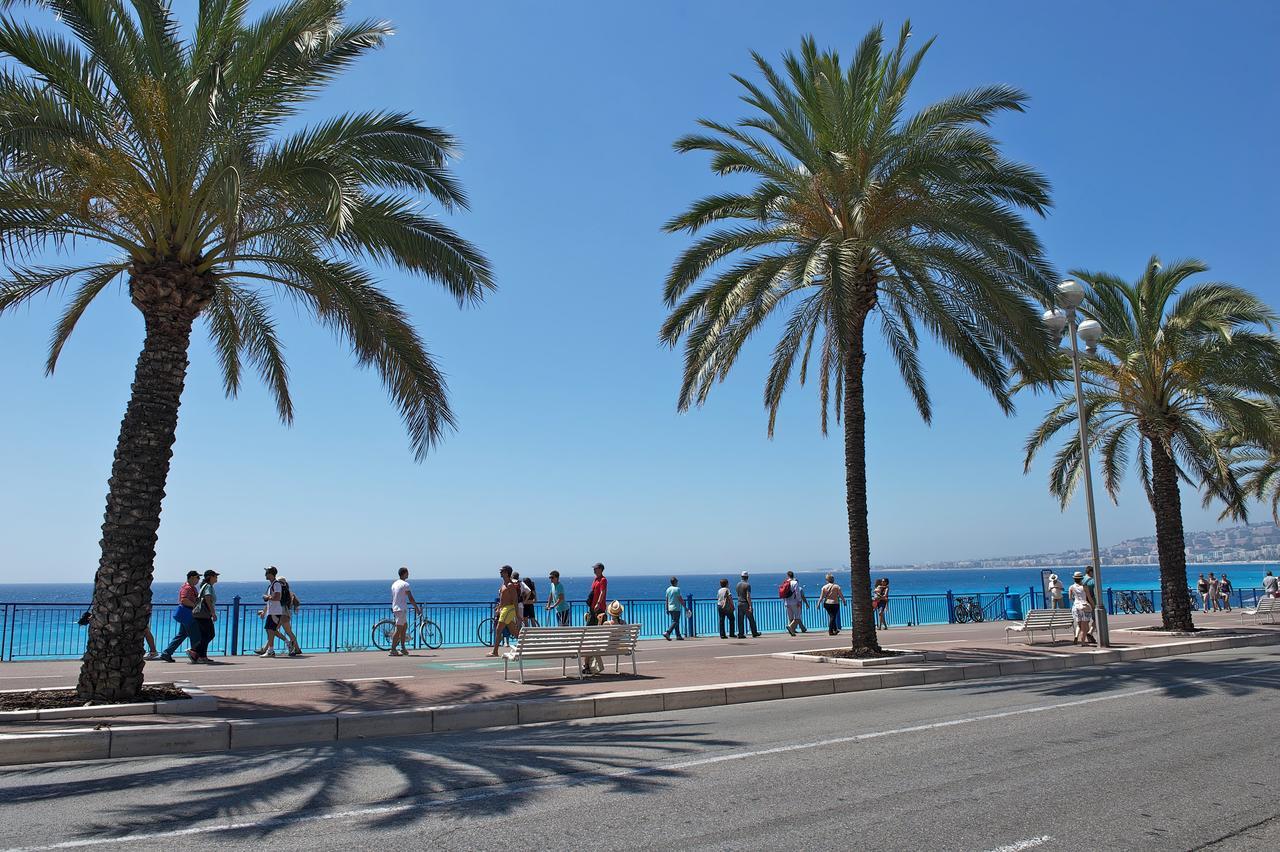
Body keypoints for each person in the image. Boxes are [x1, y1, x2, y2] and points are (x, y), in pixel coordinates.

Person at [159, 570, 201, 662]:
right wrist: (194, 606)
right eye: (197, 577)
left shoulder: (192, 587)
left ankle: (166, 653)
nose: (199, 579)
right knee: (196, 635)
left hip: (186, 614)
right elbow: (183, 600)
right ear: (191, 578)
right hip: (188, 614)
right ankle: (196, 655)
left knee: (182, 635)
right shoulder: (187, 588)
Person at [488, 565, 523, 657]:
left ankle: (495, 651)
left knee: (498, 629)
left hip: (508, 609)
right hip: (504, 609)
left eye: (502, 571)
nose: (500, 572)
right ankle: (525, 646)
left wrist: (516, 613)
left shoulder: (510, 585)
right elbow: (502, 598)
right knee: (514, 632)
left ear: (506, 573)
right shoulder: (504, 584)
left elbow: (515, 599)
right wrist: (499, 607)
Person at [583, 600, 623, 675]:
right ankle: (587, 666)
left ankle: (586, 666)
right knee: (591, 646)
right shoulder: (624, 623)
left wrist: (599, 622)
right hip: (617, 647)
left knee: (589, 645)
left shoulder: (607, 624)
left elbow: (598, 636)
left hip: (606, 647)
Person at [388, 566, 422, 657]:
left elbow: (395, 597)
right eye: (407, 572)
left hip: (396, 608)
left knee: (404, 626)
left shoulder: (394, 584)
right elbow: (410, 598)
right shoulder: (405, 584)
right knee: (399, 629)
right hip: (401, 609)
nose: (409, 574)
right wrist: (417, 609)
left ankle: (403, 648)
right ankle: (393, 649)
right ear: (404, 573)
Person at [257, 566, 288, 657]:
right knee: (270, 630)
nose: (265, 574)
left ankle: (271, 650)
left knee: (271, 630)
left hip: (275, 611)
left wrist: (267, 597)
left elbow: (278, 597)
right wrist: (264, 611)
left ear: (271, 574)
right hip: (272, 611)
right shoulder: (272, 585)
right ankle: (282, 645)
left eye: (267, 573)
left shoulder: (276, 584)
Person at [190, 570, 219, 662]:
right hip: (204, 614)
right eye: (215, 576)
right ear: (210, 577)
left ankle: (202, 656)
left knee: (205, 635)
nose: (216, 578)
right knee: (210, 634)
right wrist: (213, 613)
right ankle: (194, 650)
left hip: (201, 614)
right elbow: (207, 599)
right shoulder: (208, 586)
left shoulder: (205, 586)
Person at [1069, 571, 1093, 645]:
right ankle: (1083, 642)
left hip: (1076, 607)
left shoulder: (1071, 587)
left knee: (1079, 625)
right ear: (1081, 579)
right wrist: (1093, 605)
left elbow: (1070, 598)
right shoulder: (1084, 587)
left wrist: (1076, 600)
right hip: (1084, 606)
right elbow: (1089, 597)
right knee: (1085, 626)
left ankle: (1077, 637)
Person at [782, 570, 808, 635]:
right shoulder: (795, 583)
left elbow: (783, 593)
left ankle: (792, 632)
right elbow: (797, 593)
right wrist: (799, 601)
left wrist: (785, 601)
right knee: (797, 617)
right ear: (793, 575)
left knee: (790, 617)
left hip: (787, 602)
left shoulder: (785, 583)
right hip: (794, 602)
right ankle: (790, 626)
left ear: (787, 576)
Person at [735, 571, 760, 639]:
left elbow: (738, 594)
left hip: (739, 603)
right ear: (747, 577)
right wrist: (750, 606)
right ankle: (754, 633)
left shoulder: (738, 584)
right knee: (751, 618)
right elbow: (748, 596)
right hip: (745, 603)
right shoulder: (747, 585)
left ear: (741, 577)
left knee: (740, 619)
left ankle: (741, 633)